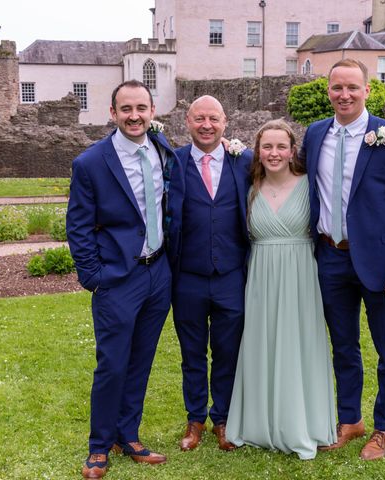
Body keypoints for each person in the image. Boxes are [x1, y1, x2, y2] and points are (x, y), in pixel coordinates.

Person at [300, 58, 385, 460]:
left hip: (383, 265)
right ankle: (350, 419)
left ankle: (384, 428)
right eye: (337, 87)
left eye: (352, 87)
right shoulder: (315, 134)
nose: (344, 94)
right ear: (328, 91)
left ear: (367, 90)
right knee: (343, 347)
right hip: (330, 258)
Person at [66, 79, 183, 479]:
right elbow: (78, 226)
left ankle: (128, 435)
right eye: (126, 109)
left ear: (152, 112)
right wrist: (93, 276)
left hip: (158, 273)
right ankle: (99, 446)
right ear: (112, 113)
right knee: (112, 363)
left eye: (142, 108)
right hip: (117, 278)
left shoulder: (163, 150)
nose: (135, 116)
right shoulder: (91, 163)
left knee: (141, 360)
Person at [225, 119, 337, 459]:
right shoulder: (248, 187)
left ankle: (303, 422)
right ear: (257, 151)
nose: (274, 153)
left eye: (281, 146)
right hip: (261, 274)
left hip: (300, 273)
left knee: (299, 344)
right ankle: (258, 422)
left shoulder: (311, 185)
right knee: (262, 342)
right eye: (267, 146)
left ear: (292, 151)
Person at [169, 95, 253, 451]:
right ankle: (194, 420)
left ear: (225, 121)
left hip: (231, 275)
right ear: (187, 121)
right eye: (199, 118)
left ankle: (223, 418)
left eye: (213, 119)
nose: (207, 125)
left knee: (227, 350)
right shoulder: (170, 162)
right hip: (186, 276)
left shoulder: (245, 160)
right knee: (192, 353)